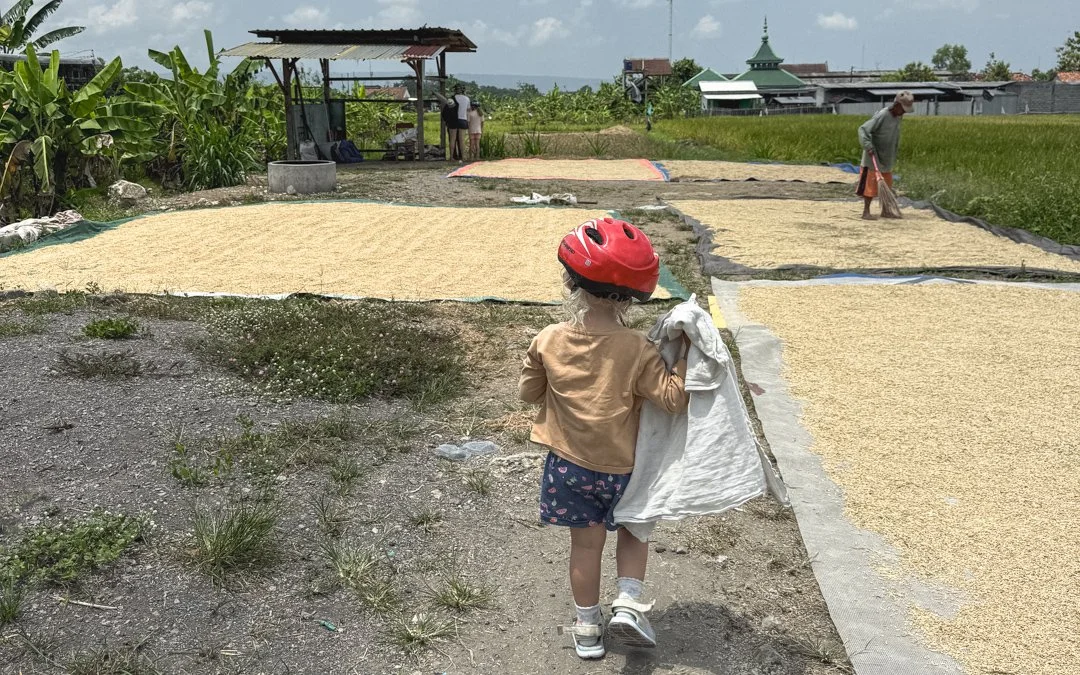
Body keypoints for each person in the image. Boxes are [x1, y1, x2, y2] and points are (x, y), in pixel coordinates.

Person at [518, 217, 690, 660]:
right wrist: (687, 352)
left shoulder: (549, 339)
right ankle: (629, 604)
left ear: (571, 281)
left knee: (585, 546)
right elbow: (672, 400)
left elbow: (528, 394)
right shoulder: (638, 347)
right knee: (633, 532)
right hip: (625, 469)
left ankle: (588, 628)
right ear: (633, 296)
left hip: (569, 467)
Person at [857, 90, 914, 220]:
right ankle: (866, 212)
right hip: (873, 157)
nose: (904, 112)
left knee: (886, 185)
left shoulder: (899, 117)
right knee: (870, 186)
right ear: (896, 105)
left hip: (887, 156)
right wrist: (868, 145)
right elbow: (863, 129)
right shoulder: (882, 115)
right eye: (903, 109)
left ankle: (886, 210)